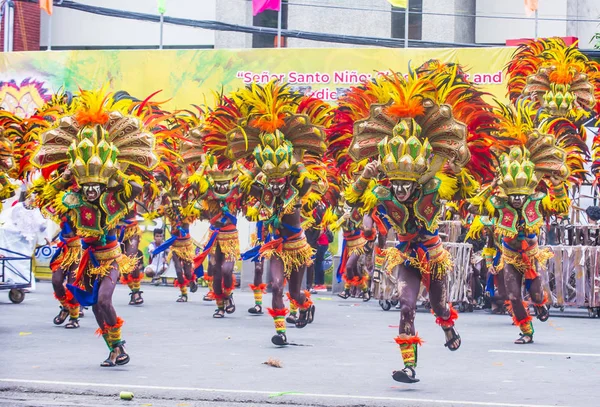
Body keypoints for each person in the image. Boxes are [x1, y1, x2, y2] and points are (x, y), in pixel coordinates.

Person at [32, 89, 158, 367]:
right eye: (85, 187)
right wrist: (64, 178)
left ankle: (120, 346)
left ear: (102, 184)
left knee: (103, 300)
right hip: (86, 258)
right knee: (94, 304)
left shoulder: (114, 197)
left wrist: (116, 173)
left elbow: (136, 187)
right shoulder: (73, 199)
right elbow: (45, 195)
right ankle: (113, 348)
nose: (90, 192)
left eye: (94, 188)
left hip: (110, 257)